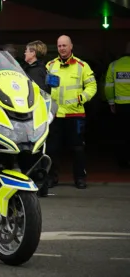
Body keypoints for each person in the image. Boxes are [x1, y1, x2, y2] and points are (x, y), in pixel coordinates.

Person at [46, 35, 97, 189]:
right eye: (59, 45)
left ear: (71, 46)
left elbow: (92, 86)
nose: (62, 48)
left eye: (64, 45)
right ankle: (51, 178)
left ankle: (80, 178)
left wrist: (81, 98)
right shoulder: (50, 65)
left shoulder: (82, 66)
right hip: (55, 115)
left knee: (77, 149)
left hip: (75, 114)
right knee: (52, 149)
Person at [104, 42, 130, 169]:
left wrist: (111, 102)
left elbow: (109, 87)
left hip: (121, 106)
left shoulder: (114, 65)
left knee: (122, 135)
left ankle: (122, 162)